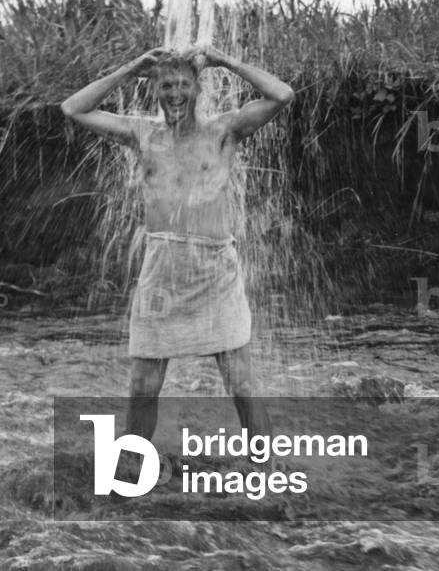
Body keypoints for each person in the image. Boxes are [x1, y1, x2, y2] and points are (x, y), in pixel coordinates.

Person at [60, 45, 294, 444]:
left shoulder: (223, 130)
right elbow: (73, 109)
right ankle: (132, 469)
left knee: (241, 381)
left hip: (214, 268)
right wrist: (132, 67)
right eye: (166, 85)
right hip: (162, 270)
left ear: (197, 89)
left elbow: (282, 95)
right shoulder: (141, 133)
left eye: (183, 84)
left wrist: (226, 61)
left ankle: (266, 471)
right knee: (144, 384)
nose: (175, 93)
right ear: (156, 90)